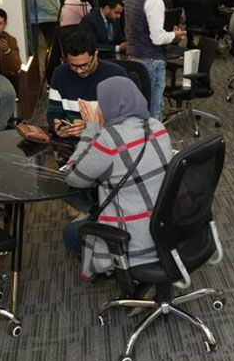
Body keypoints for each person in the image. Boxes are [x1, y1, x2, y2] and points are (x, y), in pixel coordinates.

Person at [61, 77, 173, 279]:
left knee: (70, 233)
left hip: (135, 242)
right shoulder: (157, 126)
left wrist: (91, 128)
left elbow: (72, 177)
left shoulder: (109, 140)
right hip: (167, 230)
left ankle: (119, 272)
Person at [124, 0, 186, 119]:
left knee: (139, 110)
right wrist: (175, 36)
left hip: (133, 58)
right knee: (154, 113)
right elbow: (157, 38)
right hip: (151, 60)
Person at [47, 30, 127, 140]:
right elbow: (53, 112)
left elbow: (125, 120)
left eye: (84, 65)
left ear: (96, 55)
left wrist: (90, 127)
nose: (79, 71)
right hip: (71, 142)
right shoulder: (60, 74)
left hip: (107, 143)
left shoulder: (116, 76)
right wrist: (57, 127)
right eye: (73, 65)